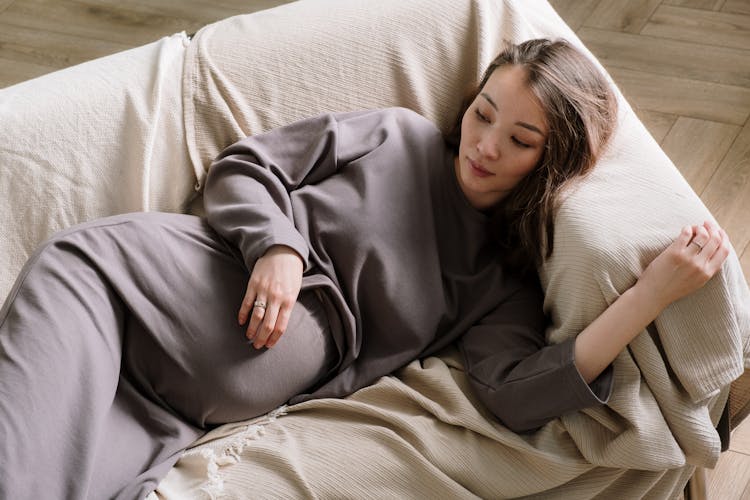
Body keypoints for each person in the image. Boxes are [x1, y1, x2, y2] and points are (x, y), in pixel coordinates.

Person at [0, 38, 729, 500]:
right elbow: (245, 170)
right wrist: (277, 247)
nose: (484, 145)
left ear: (554, 160)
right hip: (168, 305)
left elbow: (516, 394)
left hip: (213, 371)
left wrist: (645, 298)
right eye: (482, 114)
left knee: (70, 302)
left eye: (520, 139)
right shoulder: (397, 135)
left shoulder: (498, 281)